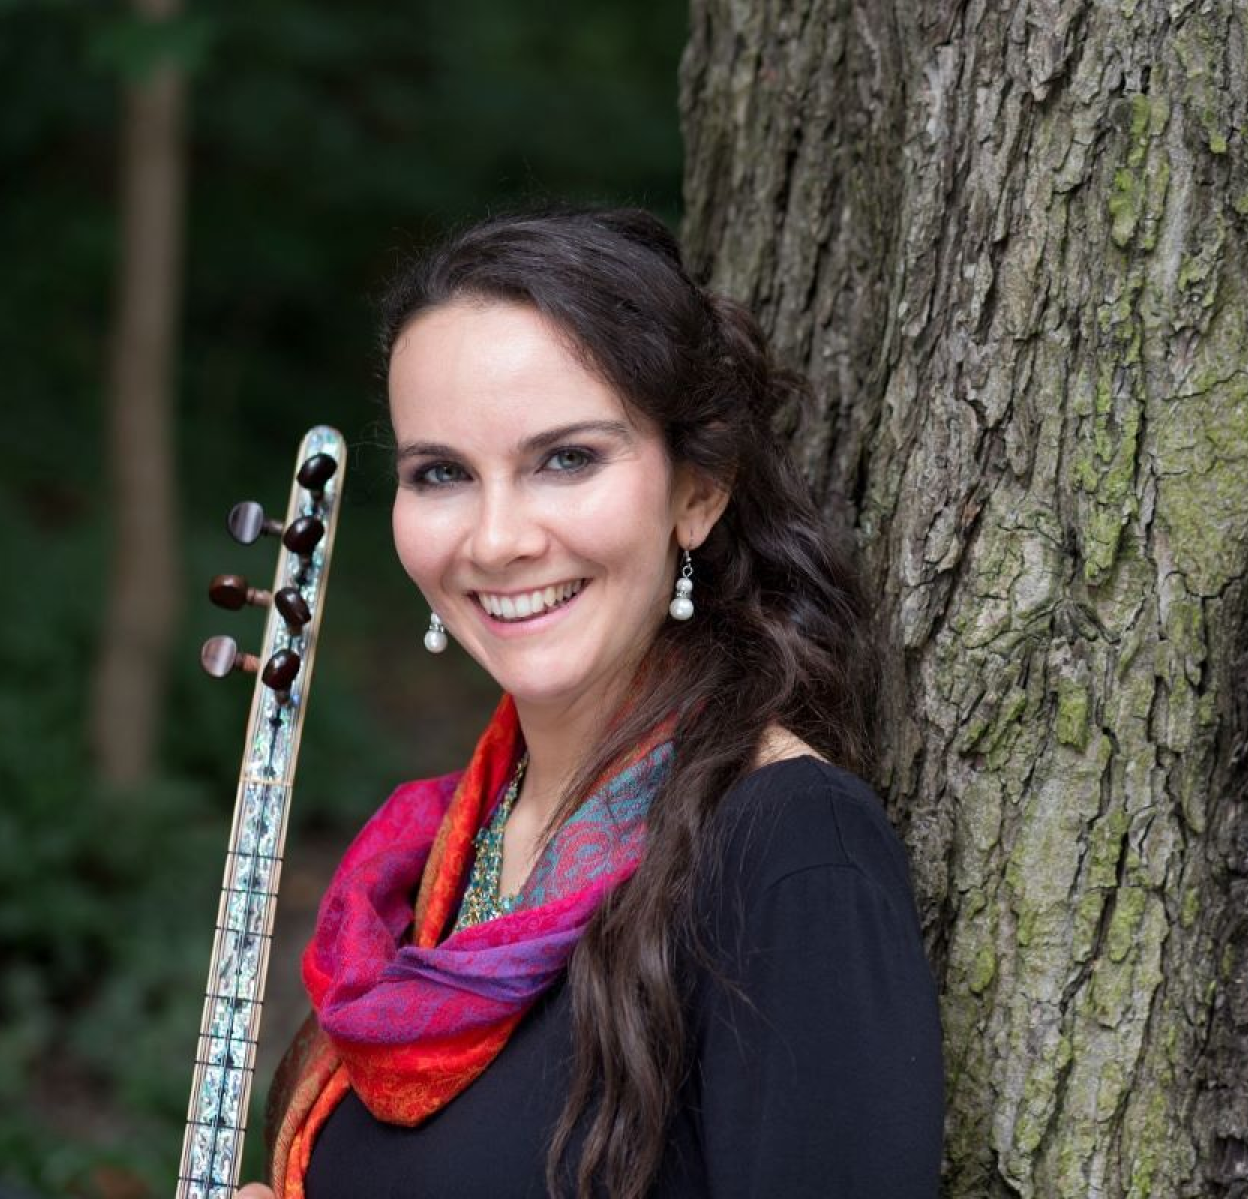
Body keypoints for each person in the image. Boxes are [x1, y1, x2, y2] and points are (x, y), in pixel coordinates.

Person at [235, 208, 945, 1199]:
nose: (496, 540)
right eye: (441, 474)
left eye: (566, 459)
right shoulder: (436, 857)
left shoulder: (790, 849)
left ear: (698, 491)